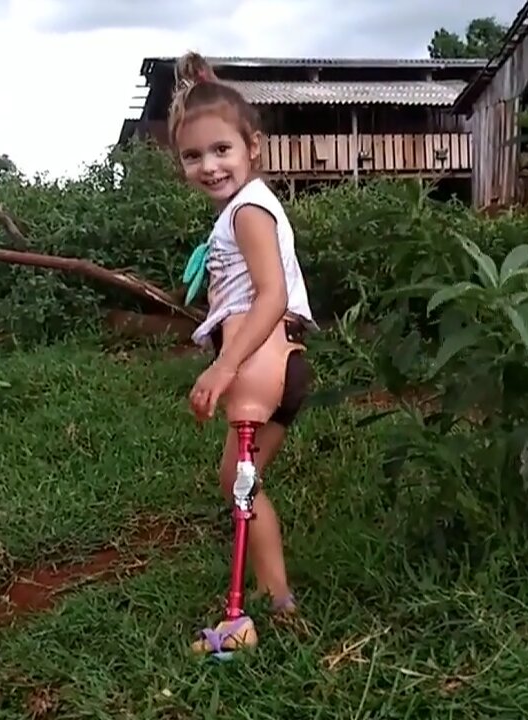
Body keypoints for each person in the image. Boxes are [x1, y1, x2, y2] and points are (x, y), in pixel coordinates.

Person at [168, 52, 317, 620]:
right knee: (238, 480)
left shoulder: (250, 211)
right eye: (193, 155)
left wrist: (224, 367)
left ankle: (276, 600)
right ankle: (272, 591)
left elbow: (272, 295)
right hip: (278, 359)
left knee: (240, 484)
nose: (208, 165)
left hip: (263, 357)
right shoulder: (240, 209)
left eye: (221, 149)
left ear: (252, 146)